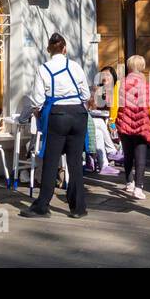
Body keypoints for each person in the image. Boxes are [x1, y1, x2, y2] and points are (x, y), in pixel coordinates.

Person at [20, 33, 91, 219]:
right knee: (75, 162)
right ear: (65, 49)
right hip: (78, 114)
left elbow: (37, 99)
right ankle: (78, 208)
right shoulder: (76, 66)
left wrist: (38, 111)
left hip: (58, 114)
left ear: (48, 50)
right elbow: (86, 95)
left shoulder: (44, 69)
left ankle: (42, 205)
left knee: (51, 161)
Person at [110, 55, 150, 200]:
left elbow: (115, 105)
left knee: (128, 155)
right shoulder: (148, 86)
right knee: (140, 158)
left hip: (124, 124)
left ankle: (129, 182)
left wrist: (112, 120)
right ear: (143, 68)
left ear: (129, 67)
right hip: (142, 127)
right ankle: (138, 188)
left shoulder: (120, 84)